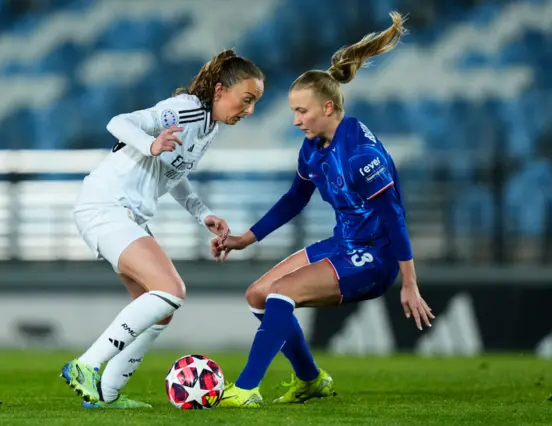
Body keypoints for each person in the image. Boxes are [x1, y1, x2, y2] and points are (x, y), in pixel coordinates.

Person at [211, 13, 434, 408]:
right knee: (258, 295)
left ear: (328, 108)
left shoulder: (361, 156)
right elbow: (295, 198)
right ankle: (311, 381)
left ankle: (245, 389)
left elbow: (394, 218)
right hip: (343, 243)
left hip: (375, 258)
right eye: (294, 112)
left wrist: (409, 284)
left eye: (302, 112)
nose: (296, 121)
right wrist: (246, 238)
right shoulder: (314, 147)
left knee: (281, 293)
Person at [61, 49, 265, 409]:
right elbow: (119, 122)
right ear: (220, 90)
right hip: (107, 204)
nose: (249, 111)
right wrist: (150, 143)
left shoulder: (209, 128)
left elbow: (174, 175)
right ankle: (86, 365)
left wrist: (203, 215)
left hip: (126, 214)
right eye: (246, 100)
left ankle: (106, 396)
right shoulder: (186, 108)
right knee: (171, 289)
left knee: (159, 307)